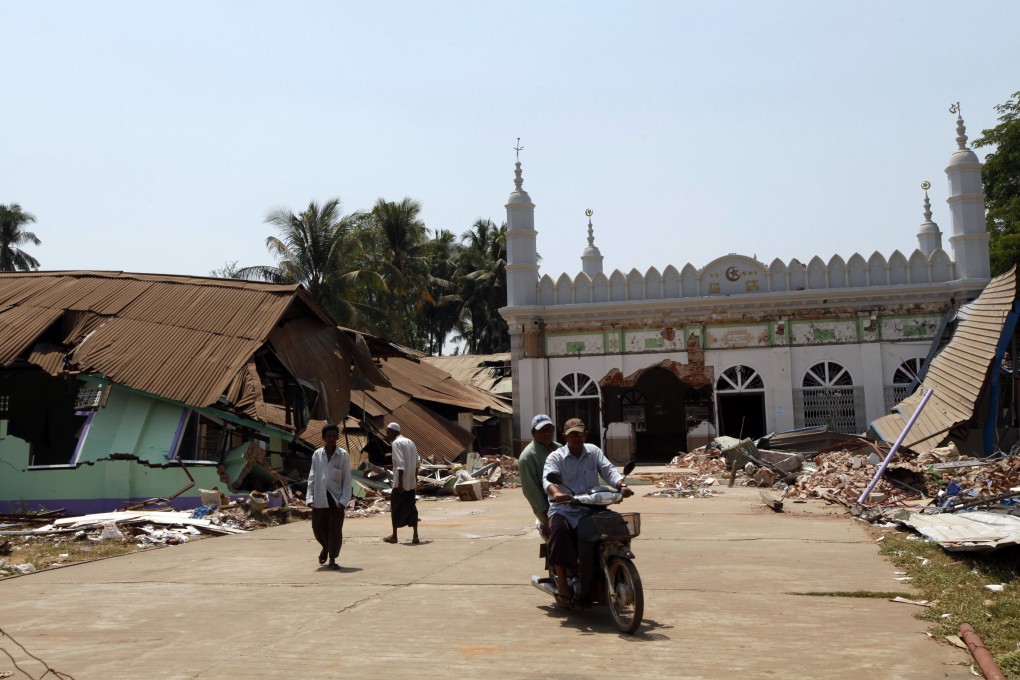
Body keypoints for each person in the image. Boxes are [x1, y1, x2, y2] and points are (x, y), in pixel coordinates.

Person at [543, 417, 633, 605]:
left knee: (620, 526)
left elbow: (608, 470)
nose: (576, 437)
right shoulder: (556, 457)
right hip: (564, 509)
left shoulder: (593, 451)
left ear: (585, 434)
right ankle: (563, 584)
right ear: (564, 437)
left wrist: (621, 485)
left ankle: (617, 572)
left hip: (591, 507)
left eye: (579, 434)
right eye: (572, 434)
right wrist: (557, 492)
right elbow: (548, 480)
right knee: (559, 531)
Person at [306, 423, 352, 570]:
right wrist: (309, 497)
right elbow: (312, 477)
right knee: (317, 527)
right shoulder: (317, 455)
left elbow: (347, 480)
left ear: (337, 437)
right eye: (328, 436)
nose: (331, 438)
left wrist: (344, 500)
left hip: (336, 499)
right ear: (323, 438)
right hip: (320, 497)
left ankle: (332, 559)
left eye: (334, 436)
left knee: (334, 530)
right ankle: (326, 547)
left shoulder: (343, 455)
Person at [383, 422, 420, 544]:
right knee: (411, 508)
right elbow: (417, 463)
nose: (387, 435)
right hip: (410, 483)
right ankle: (415, 535)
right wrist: (414, 480)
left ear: (394, 432)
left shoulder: (396, 443)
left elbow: (400, 464)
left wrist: (400, 484)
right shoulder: (410, 442)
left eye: (388, 432)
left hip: (401, 483)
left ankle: (394, 536)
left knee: (396, 507)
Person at [519, 414, 559, 524]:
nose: (548, 434)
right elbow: (531, 490)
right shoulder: (527, 457)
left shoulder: (559, 448)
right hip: (549, 508)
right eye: (543, 430)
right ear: (533, 432)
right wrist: (544, 514)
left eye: (550, 430)